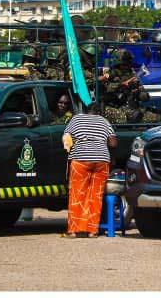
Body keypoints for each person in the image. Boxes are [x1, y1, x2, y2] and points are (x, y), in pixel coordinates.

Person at [61, 102, 116, 238]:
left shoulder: (77, 119)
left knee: (77, 194)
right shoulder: (104, 121)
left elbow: (66, 137)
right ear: (99, 112)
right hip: (101, 160)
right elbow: (113, 143)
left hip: (81, 159)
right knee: (96, 195)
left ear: (86, 111)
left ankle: (74, 231)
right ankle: (92, 231)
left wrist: (69, 148)